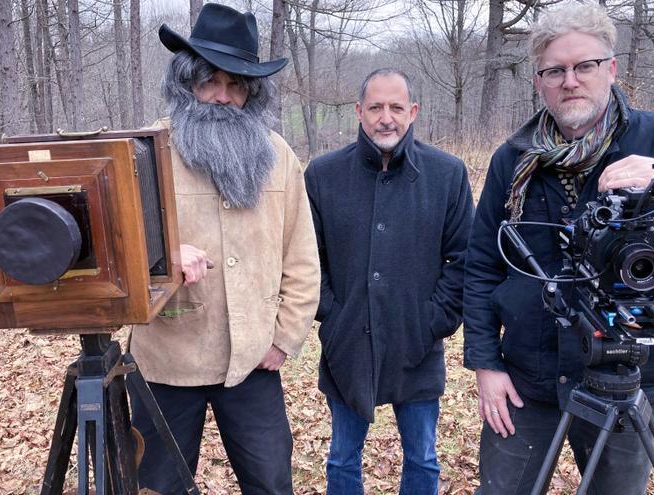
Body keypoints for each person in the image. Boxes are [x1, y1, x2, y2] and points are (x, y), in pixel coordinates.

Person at [463, 3, 654, 494]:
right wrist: (486, 364)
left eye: (585, 66)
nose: (570, 80)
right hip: (528, 380)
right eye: (555, 70)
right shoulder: (513, 159)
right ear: (539, 81)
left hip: (626, 376)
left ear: (611, 68)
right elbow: (481, 266)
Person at [127, 4, 320, 494]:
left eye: (237, 86)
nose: (223, 97)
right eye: (211, 81)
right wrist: (165, 258)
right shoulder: (146, 153)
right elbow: (115, 247)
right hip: (167, 359)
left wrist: (284, 339)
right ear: (187, 82)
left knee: (272, 483)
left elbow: (302, 258)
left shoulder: (278, 157)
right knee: (156, 486)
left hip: (252, 359)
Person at [305, 68, 475, 494]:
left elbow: (464, 259)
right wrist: (333, 313)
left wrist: (432, 320)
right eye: (376, 107)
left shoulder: (447, 174)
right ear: (359, 112)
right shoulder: (323, 175)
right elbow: (309, 258)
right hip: (347, 344)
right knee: (343, 459)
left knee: (423, 457)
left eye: (396, 107)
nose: (386, 117)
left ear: (413, 111)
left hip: (418, 343)